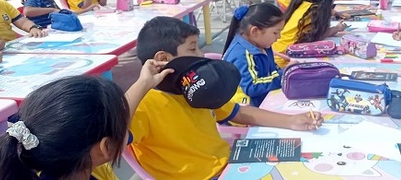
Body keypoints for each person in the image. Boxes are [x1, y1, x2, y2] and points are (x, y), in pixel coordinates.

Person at [129, 16, 323, 179]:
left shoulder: (193, 88)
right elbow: (113, 140)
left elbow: (238, 112)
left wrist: (292, 121)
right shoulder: (142, 105)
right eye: (192, 48)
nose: (201, 54)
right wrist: (142, 85)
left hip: (230, 164)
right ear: (163, 59)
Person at [0, 58, 172, 180]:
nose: (127, 122)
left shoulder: (51, 162)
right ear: (105, 147)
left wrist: (144, 82)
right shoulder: (90, 166)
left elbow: (116, 118)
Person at [272, 0, 348, 67]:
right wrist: (337, 28)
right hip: (285, 58)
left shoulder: (302, 4)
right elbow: (319, 34)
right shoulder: (314, 12)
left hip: (276, 51)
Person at [222, 4, 285, 107]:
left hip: (265, 100)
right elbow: (252, 86)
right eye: (275, 32)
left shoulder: (263, 45)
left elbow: (272, 70)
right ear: (255, 31)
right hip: (246, 112)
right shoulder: (241, 54)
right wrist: (284, 75)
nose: (279, 37)